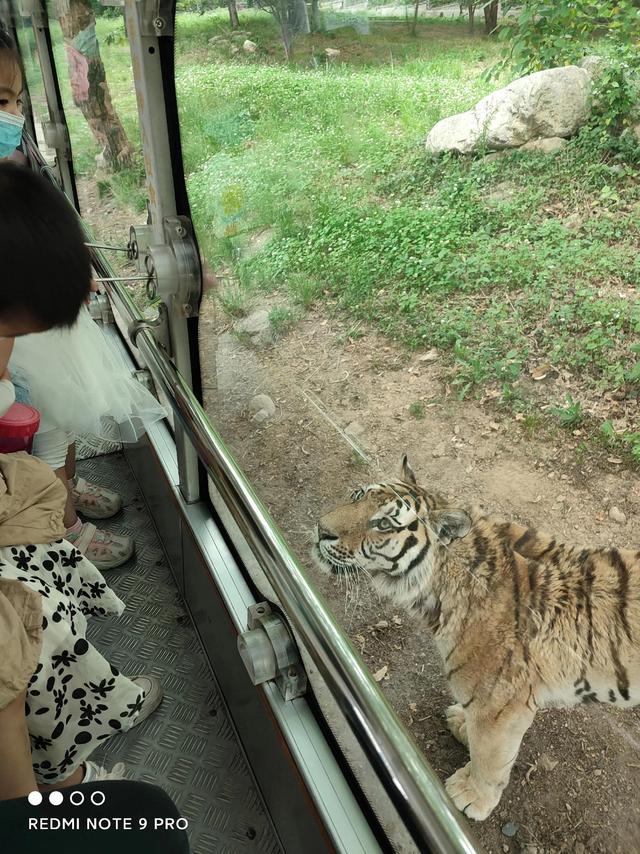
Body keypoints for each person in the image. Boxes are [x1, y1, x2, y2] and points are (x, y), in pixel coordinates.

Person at [0, 31, 167, 571]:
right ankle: (61, 523)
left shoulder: (12, 166)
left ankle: (62, 487)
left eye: (18, 101)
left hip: (37, 327)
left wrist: (61, 274)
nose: (14, 115)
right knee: (42, 424)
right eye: (1, 101)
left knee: (61, 421)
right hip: (14, 344)